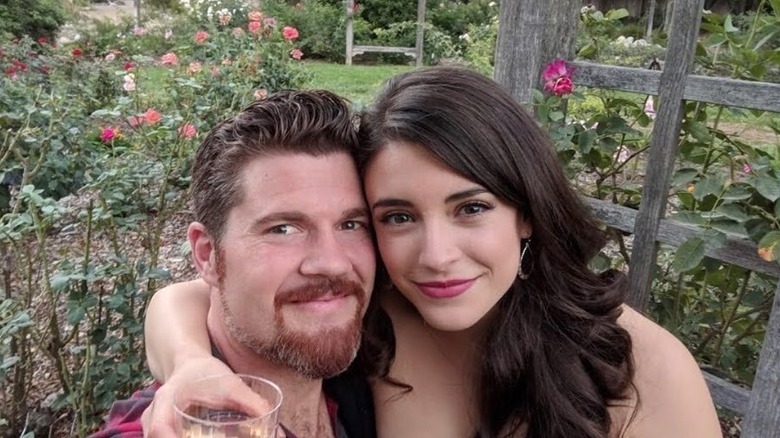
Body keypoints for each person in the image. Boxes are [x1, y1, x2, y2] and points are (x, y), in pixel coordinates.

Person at [142, 67, 721, 437]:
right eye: (398, 217)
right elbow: (191, 295)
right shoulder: (382, 313)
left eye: (471, 208)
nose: (436, 256)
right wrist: (191, 364)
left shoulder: (634, 365)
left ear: (525, 213)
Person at [91, 90, 378, 438]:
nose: (333, 263)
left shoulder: (375, 380)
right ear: (207, 254)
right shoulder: (168, 428)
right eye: (283, 229)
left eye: (351, 224)